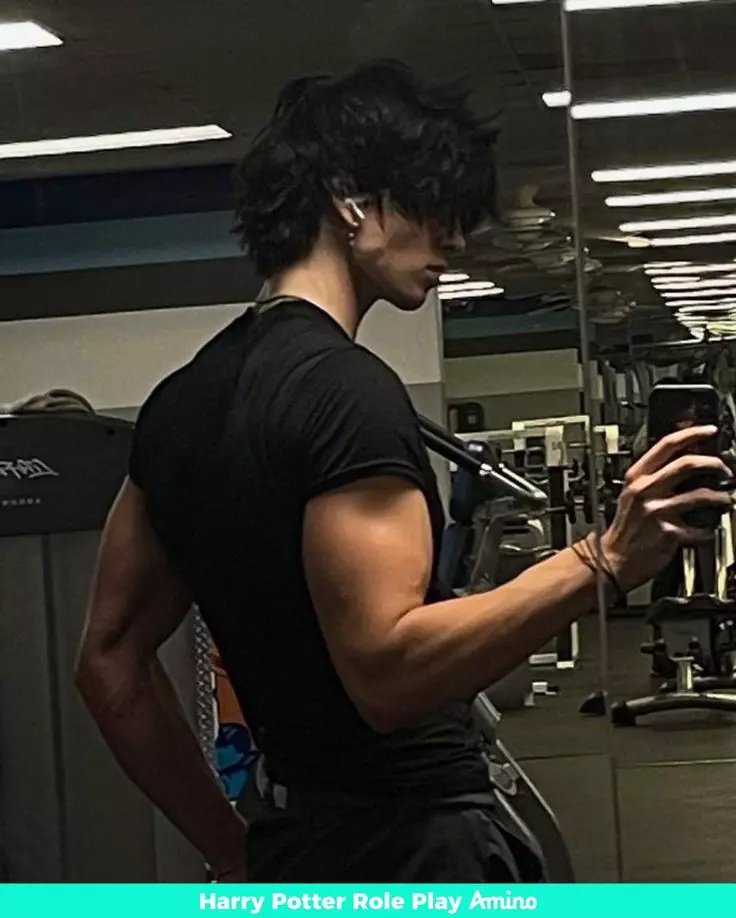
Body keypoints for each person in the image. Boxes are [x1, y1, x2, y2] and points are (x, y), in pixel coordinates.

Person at [75, 60, 732, 882]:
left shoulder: (177, 404)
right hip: (416, 847)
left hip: (296, 839)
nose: (454, 238)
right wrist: (601, 559)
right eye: (432, 204)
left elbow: (108, 662)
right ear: (350, 202)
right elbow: (387, 675)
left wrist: (233, 849)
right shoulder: (347, 394)